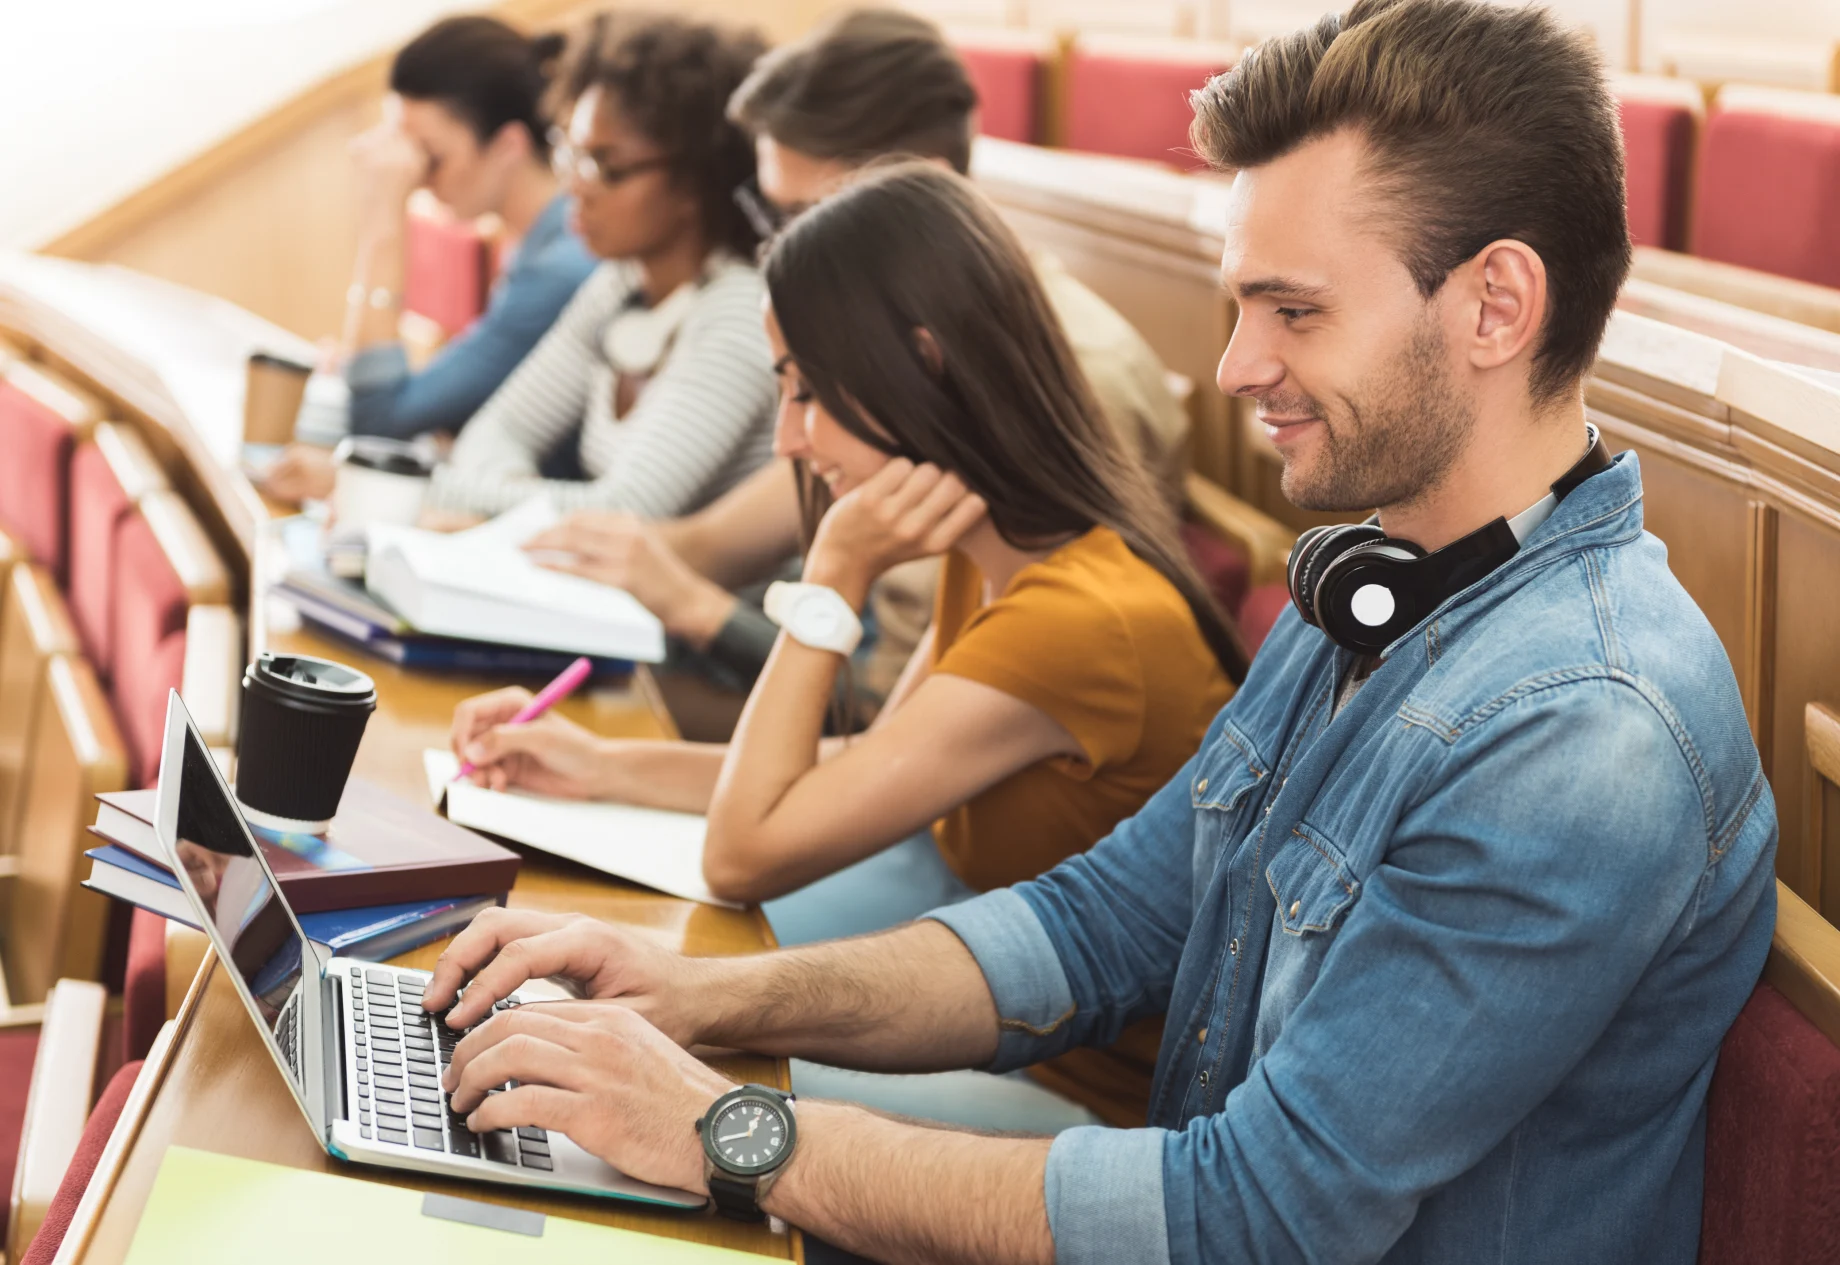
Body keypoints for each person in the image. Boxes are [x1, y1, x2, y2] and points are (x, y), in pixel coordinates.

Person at [419, 2, 1777, 1261]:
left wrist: (730, 1132)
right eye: (1244, 302)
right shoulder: (1384, 574)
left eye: (1294, 309)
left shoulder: (1583, 731)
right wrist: (697, 999)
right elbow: (1100, 921)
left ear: (1496, 306)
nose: (1241, 364)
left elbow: (1258, 1214)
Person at [451, 163, 1241, 1129]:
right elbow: (860, 767)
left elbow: (748, 852)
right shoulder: (998, 550)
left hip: (1077, 1093)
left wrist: (834, 576)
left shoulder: (1077, 620)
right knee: (596, 1001)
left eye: (807, 390)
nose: (788, 435)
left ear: (922, 363)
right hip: (992, 1015)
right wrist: (604, 763)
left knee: (593, 1067)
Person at [521, 8, 1193, 707]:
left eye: (806, 219)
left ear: (919, 186)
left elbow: (924, 725)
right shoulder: (883, 338)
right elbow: (702, 545)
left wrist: (707, 608)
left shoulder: (1071, 373)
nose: (777, 255)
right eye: (769, 216)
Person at [422, 13, 776, 519]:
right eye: (573, 155)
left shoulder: (739, 311)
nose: (576, 188)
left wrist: (424, 485)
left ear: (699, 179)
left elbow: (624, 511)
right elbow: (495, 432)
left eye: (607, 167)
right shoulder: (621, 283)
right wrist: (511, 494)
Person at [261, 16, 597, 503]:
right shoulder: (529, 243)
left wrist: (382, 217)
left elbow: (378, 422)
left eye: (430, 157)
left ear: (507, 146)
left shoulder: (562, 267)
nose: (416, 178)